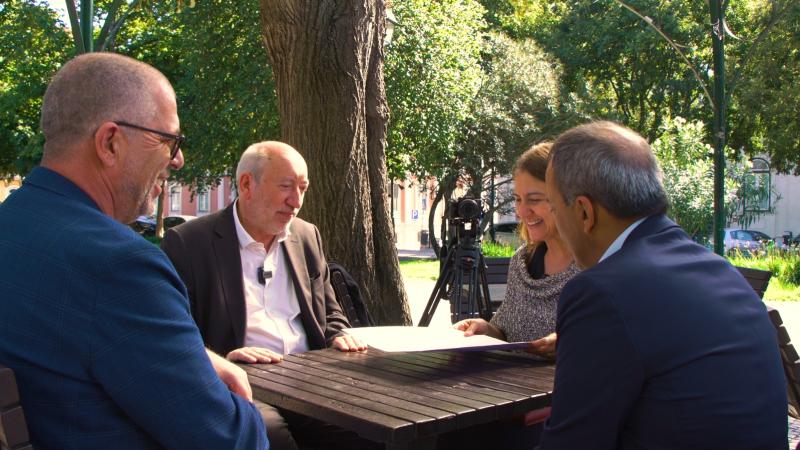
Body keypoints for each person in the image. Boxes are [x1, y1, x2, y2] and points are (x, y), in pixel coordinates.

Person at [0, 53, 267, 449]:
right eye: (169, 141)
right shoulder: (120, 265)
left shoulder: (13, 227)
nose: (178, 159)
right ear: (110, 143)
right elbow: (231, 440)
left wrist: (196, 358)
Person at [539, 121, 787, 449]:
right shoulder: (722, 272)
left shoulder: (601, 292)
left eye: (554, 208)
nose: (555, 223)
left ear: (585, 212)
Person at [161, 141, 373, 450]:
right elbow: (175, 333)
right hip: (240, 382)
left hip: (310, 378)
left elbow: (329, 312)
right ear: (247, 184)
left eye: (303, 188)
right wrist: (222, 359)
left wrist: (340, 334)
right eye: (286, 187)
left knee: (370, 428)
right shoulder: (189, 243)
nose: (296, 201)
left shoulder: (306, 236)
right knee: (268, 434)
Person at [454, 143, 580, 359]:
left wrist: (572, 342)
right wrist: (486, 329)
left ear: (567, 198)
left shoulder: (597, 266)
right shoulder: (522, 262)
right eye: (518, 199)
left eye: (534, 200)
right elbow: (508, 334)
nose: (521, 211)